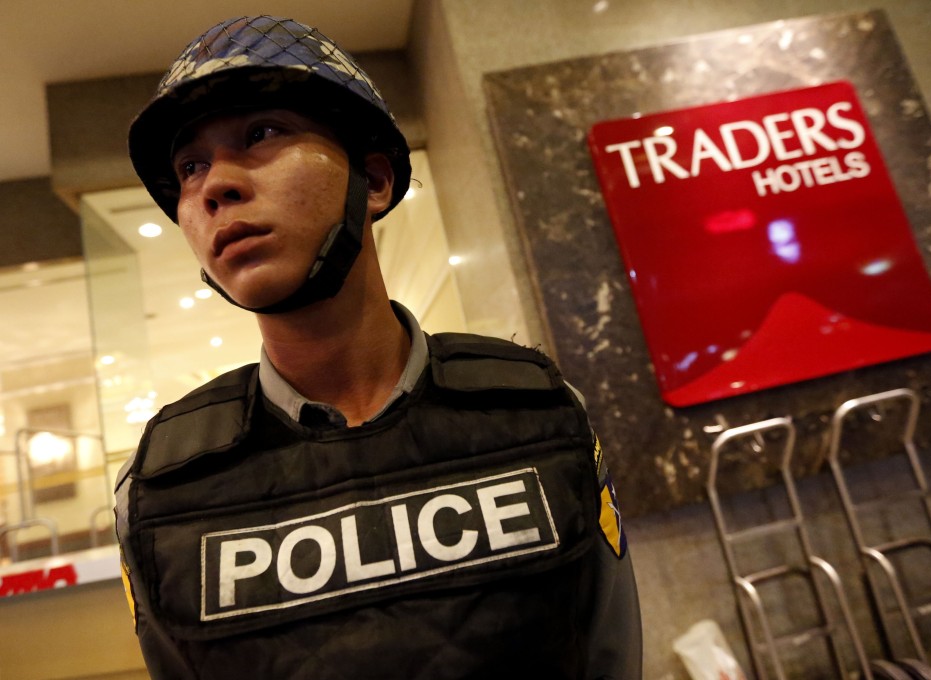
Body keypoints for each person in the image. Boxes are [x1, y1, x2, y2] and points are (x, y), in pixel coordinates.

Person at [115, 15, 641, 680]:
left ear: (377, 180)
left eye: (262, 134)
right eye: (190, 166)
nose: (214, 185)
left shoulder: (539, 411)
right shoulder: (160, 490)